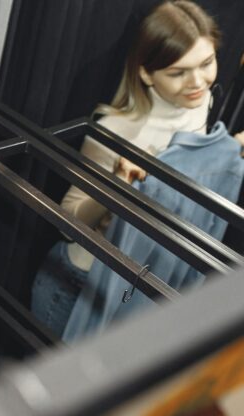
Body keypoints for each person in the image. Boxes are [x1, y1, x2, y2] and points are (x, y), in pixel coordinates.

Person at [31, 0, 244, 337]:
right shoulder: (117, 130)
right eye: (177, 72)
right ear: (146, 73)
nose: (198, 82)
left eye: (207, 62)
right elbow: (68, 222)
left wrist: (231, 148)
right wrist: (116, 182)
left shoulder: (202, 102)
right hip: (79, 288)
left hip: (137, 289)